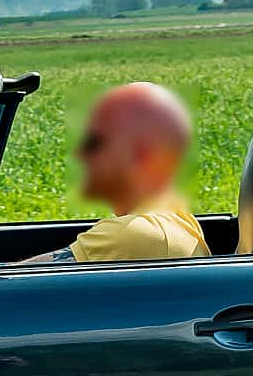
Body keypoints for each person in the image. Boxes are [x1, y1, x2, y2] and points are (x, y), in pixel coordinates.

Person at [63, 80, 208, 262]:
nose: (80, 153)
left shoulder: (136, 236)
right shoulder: (176, 217)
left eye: (95, 142)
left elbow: (18, 282)